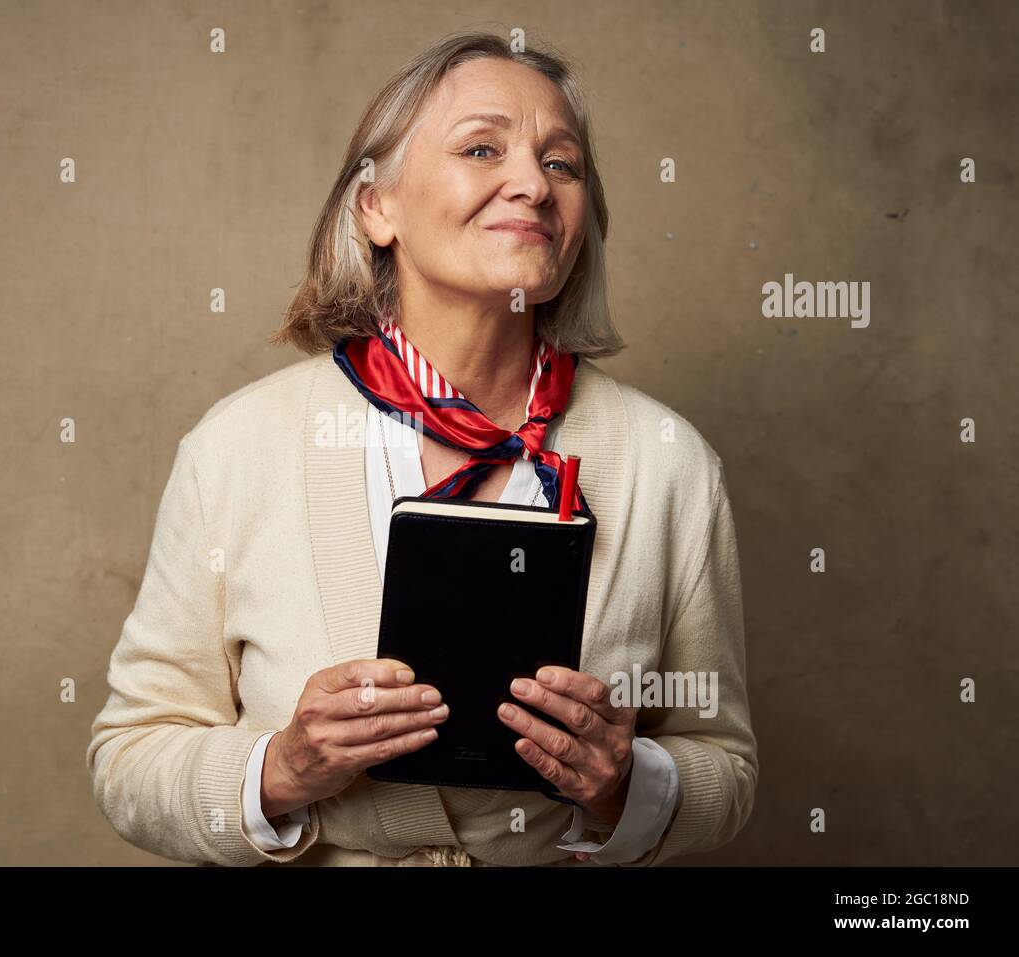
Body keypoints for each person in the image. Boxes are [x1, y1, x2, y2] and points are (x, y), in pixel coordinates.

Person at [86, 30, 757, 867]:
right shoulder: (235, 449)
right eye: (483, 148)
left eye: (563, 164)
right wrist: (282, 768)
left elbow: (724, 766)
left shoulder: (670, 463)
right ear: (377, 206)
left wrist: (629, 782)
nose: (532, 186)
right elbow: (129, 758)